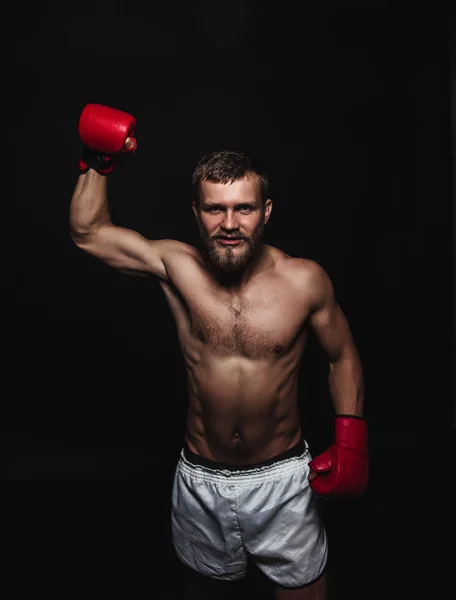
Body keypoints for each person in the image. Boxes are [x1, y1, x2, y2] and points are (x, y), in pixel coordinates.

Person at [70, 104, 368, 600]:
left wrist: (351, 436)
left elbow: (344, 356)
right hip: (200, 481)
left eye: (244, 209)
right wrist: (98, 161)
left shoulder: (305, 280)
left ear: (266, 211)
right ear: (196, 212)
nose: (229, 224)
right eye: (215, 209)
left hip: (283, 482)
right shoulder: (176, 267)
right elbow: (88, 234)